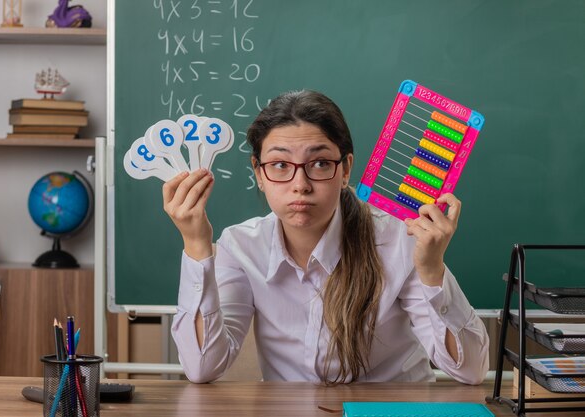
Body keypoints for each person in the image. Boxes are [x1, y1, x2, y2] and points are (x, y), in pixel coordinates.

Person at [164, 90, 489, 384]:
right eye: (279, 165)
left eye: (319, 163)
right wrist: (196, 246)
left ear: (346, 169)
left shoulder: (398, 238)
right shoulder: (242, 247)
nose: (300, 184)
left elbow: (471, 369)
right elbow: (203, 367)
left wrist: (432, 270)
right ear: (258, 173)